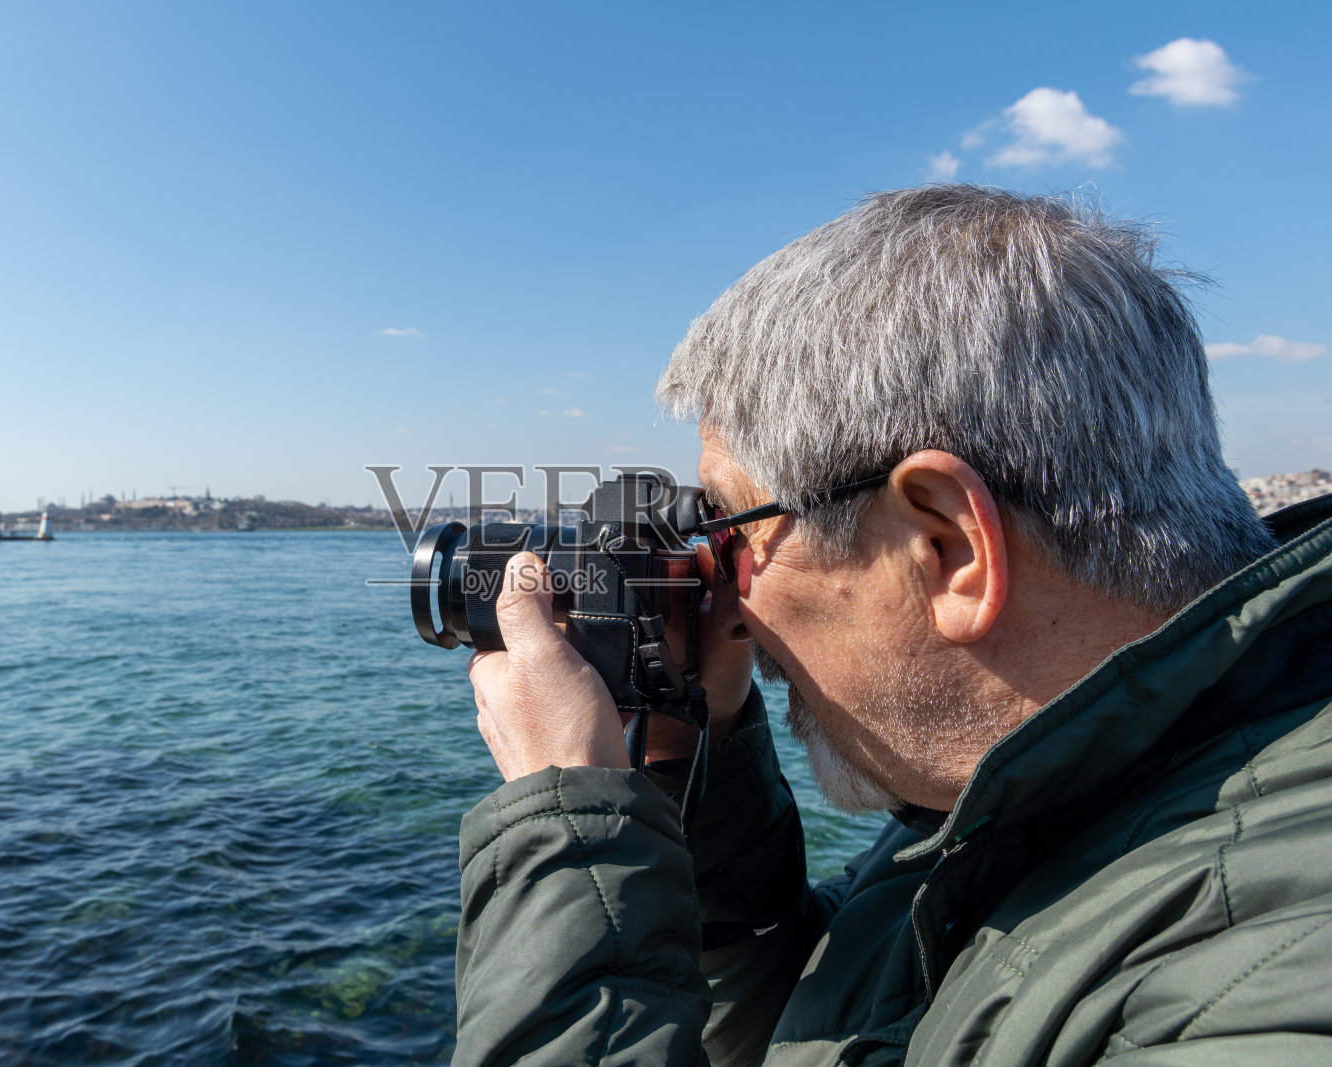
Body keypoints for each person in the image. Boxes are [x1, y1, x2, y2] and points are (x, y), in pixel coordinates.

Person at [455, 186, 1332, 1066]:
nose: (718, 579)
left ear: (948, 545)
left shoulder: (1265, 975)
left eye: (730, 526)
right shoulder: (1035, 790)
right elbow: (826, 1017)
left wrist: (569, 834)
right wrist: (688, 752)